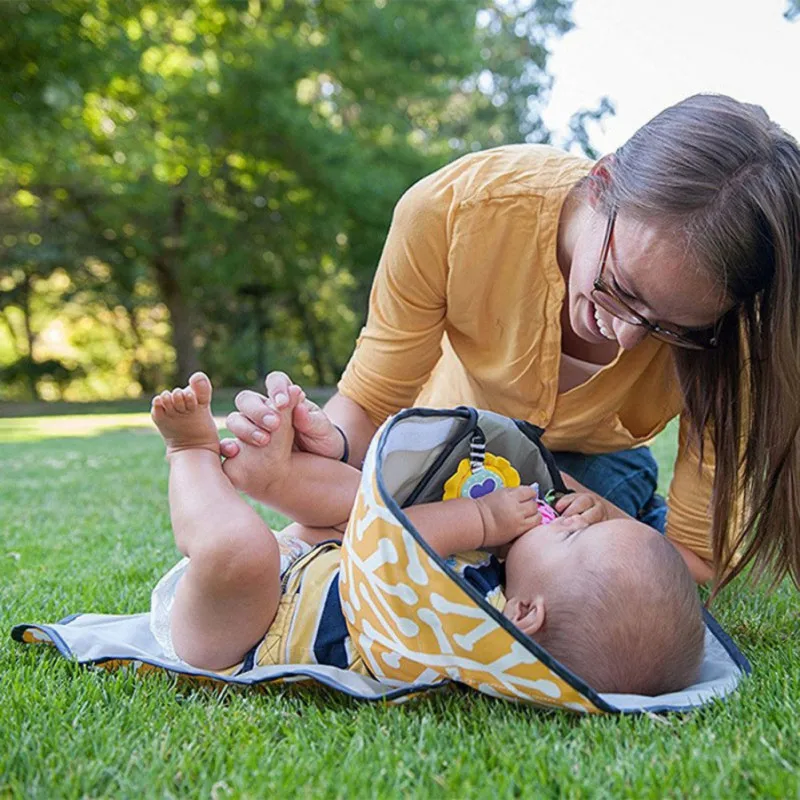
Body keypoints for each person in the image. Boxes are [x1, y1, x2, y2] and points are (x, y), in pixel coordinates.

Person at [221, 93, 800, 597]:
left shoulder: (737, 337)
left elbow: (693, 565)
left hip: (588, 466)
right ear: (600, 183)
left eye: (674, 329)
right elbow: (370, 409)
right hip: (438, 443)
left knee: (544, 572)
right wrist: (332, 442)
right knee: (394, 518)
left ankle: (625, 503)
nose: (627, 337)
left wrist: (605, 522)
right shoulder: (450, 214)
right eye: (620, 289)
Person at [149, 372, 704, 695]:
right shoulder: (503, 580)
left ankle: (190, 455)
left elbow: (387, 541)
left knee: (241, 550)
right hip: (312, 567)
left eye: (573, 536)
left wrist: (482, 520)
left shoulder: (471, 637)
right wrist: (581, 513)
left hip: (240, 632)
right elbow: (371, 517)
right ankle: (277, 478)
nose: (574, 518)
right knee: (367, 498)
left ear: (526, 614)